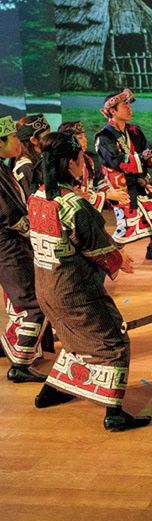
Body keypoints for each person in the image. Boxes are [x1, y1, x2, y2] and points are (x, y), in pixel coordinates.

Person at [28, 130, 149, 430]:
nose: (84, 162)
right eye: (81, 157)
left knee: (74, 340)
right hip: (73, 291)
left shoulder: (36, 198)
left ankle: (53, 389)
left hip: (45, 287)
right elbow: (97, 247)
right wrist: (118, 257)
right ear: (71, 163)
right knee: (114, 341)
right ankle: (113, 412)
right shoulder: (73, 205)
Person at [0, 116, 51, 383]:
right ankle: (20, 363)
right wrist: (38, 232)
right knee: (34, 303)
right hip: (8, 245)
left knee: (28, 301)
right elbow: (9, 214)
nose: (17, 144)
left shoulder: (4, 168)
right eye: (12, 139)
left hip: (11, 243)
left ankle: (16, 351)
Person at [95, 88, 152, 261]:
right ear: (112, 111)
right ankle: (107, 257)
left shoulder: (135, 131)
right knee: (127, 226)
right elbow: (118, 162)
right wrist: (149, 152)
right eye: (125, 105)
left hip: (140, 184)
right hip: (121, 188)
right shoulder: (104, 136)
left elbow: (147, 157)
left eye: (129, 105)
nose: (129, 108)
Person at [58, 121, 129, 212]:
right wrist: (107, 195)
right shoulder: (64, 163)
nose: (85, 140)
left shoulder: (87, 160)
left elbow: (98, 179)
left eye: (84, 136)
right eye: (80, 138)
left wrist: (112, 193)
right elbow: (77, 191)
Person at [13, 114, 50, 198]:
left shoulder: (37, 161)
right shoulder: (26, 167)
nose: (51, 137)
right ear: (34, 140)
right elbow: (33, 201)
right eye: (47, 134)